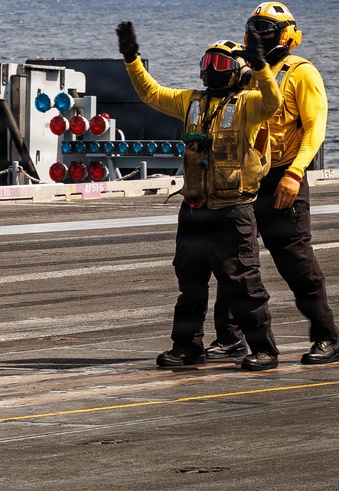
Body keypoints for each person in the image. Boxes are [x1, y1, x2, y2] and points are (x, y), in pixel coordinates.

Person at [116, 21, 282, 371]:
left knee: (244, 283)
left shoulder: (250, 104)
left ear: (238, 72)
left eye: (220, 64)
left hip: (232, 211)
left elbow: (273, 101)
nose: (211, 69)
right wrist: (132, 59)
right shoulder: (191, 101)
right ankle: (187, 348)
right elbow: (151, 93)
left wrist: (261, 66)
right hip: (193, 210)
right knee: (190, 286)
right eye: (207, 62)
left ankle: (264, 349)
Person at [205, 2, 339, 365]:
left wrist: (295, 174)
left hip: (283, 178)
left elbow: (315, 129)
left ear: (287, 34)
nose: (259, 36)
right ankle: (230, 337)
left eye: (266, 29)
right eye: (254, 28)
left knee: (296, 261)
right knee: (235, 260)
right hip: (246, 179)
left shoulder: (301, 73)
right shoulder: (247, 73)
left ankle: (327, 338)